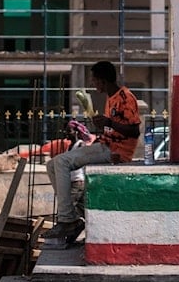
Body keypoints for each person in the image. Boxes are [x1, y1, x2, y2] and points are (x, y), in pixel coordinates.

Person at [43, 61, 140, 247]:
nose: (93, 83)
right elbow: (112, 129)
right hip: (105, 145)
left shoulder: (125, 97)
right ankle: (70, 216)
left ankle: (67, 220)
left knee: (62, 163)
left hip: (116, 152)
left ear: (102, 81)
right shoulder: (110, 99)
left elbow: (134, 131)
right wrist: (101, 128)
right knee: (51, 164)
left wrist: (109, 123)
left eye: (94, 79)